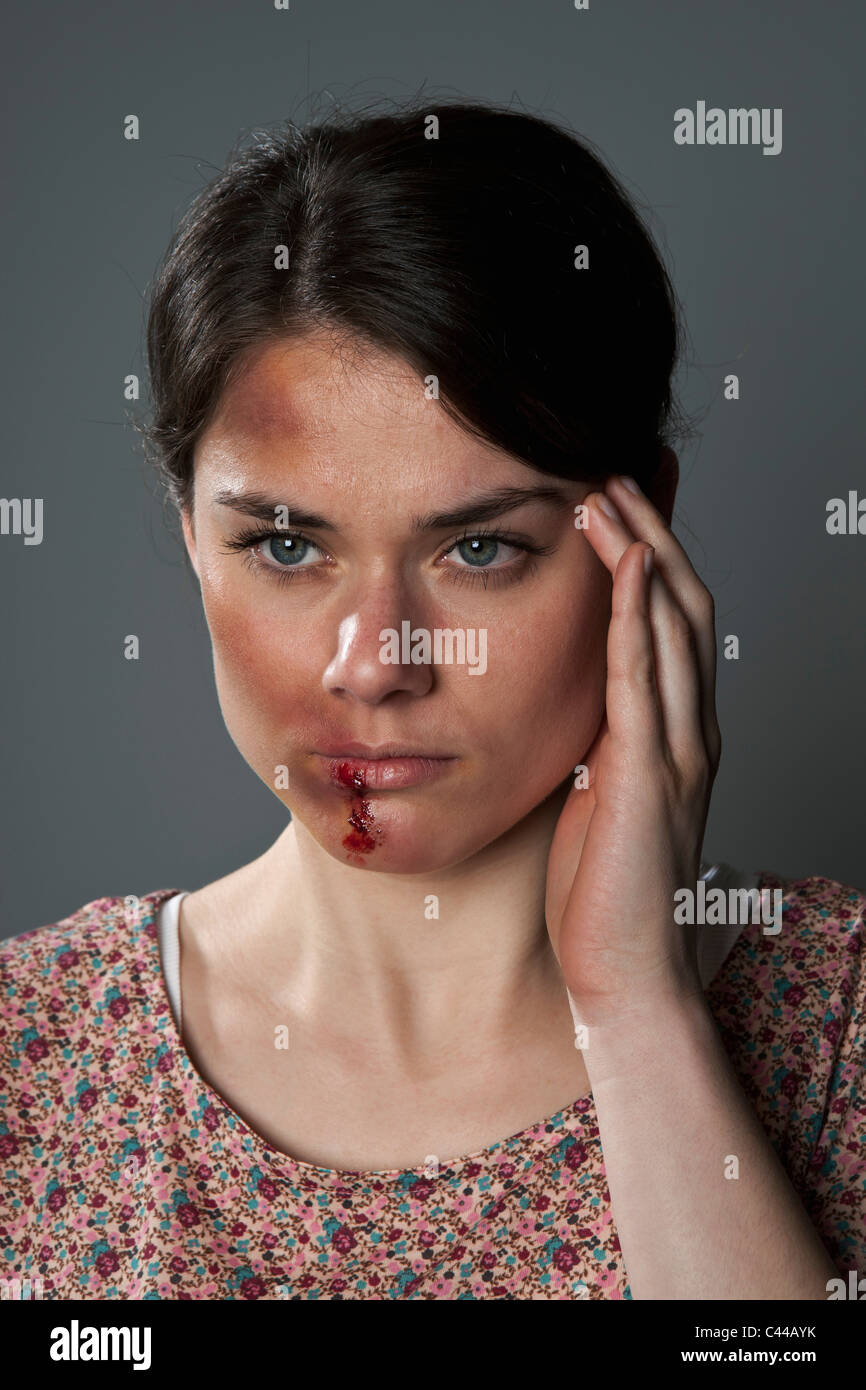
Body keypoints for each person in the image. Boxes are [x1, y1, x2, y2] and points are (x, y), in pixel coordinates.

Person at [1, 99, 862, 1301]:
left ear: (639, 530)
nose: (373, 660)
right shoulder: (27, 1055)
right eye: (287, 547)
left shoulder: (835, 1023)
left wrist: (635, 1010)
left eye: (479, 549)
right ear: (191, 536)